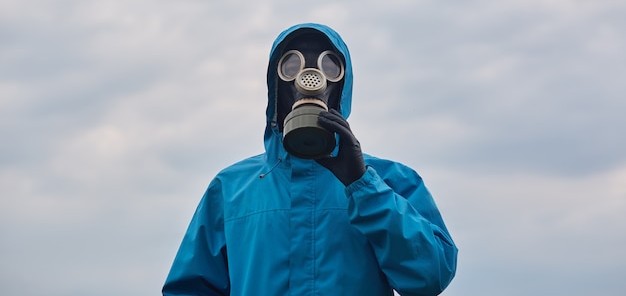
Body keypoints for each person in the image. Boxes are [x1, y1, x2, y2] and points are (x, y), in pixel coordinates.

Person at [162, 23, 458, 296]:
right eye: (292, 64)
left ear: (342, 86)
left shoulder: (390, 181)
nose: (309, 77)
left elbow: (430, 276)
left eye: (329, 65)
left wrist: (364, 187)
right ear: (275, 84)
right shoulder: (230, 189)